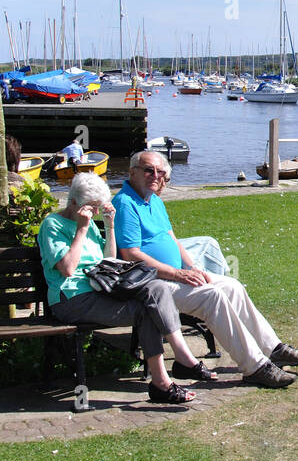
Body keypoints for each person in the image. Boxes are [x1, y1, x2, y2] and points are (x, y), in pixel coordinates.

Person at [112, 150, 298, 389]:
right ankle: (255, 367)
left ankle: (273, 349)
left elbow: (172, 239)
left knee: (232, 286)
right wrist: (178, 274)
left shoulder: (152, 199)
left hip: (176, 275)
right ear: (133, 172)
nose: (155, 175)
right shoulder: (125, 204)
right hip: (153, 284)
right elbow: (131, 255)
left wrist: (193, 267)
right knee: (213, 297)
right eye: (148, 170)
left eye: (160, 171)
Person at [38, 173, 207, 406]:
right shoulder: (53, 225)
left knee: (156, 287)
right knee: (147, 310)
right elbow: (67, 269)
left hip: (101, 290)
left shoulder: (90, 223)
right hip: (72, 299)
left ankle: (178, 360)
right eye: (92, 207)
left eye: (98, 207)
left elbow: (108, 260)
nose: (95, 213)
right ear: (74, 203)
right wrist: (81, 230)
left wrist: (109, 226)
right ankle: (163, 381)